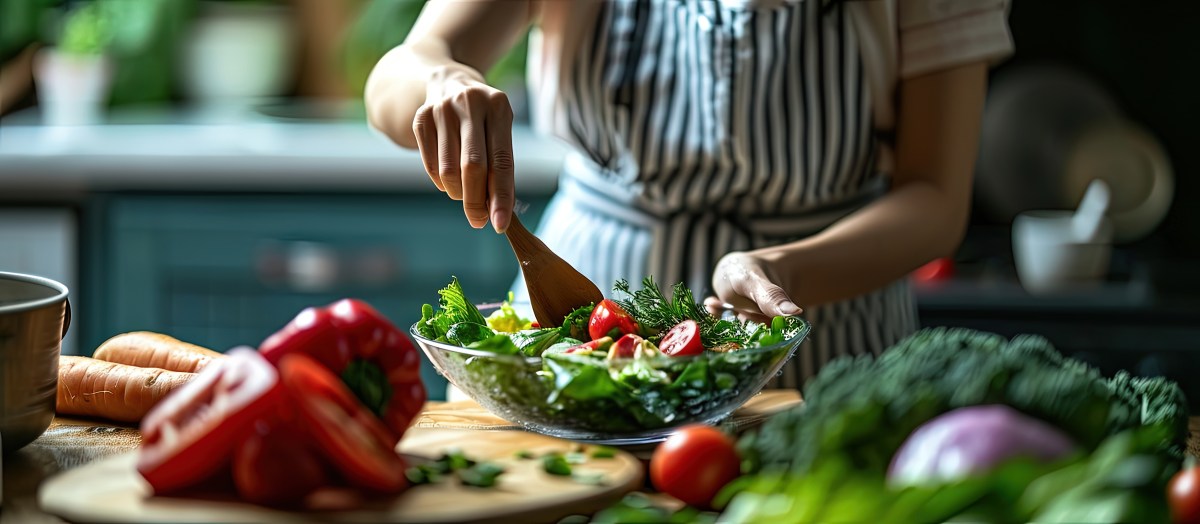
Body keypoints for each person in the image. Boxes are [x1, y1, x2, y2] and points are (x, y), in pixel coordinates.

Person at [366, 0, 1013, 386]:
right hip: (583, 328)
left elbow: (934, 198)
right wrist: (440, 78)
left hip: (828, 339)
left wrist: (781, 271)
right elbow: (396, 75)